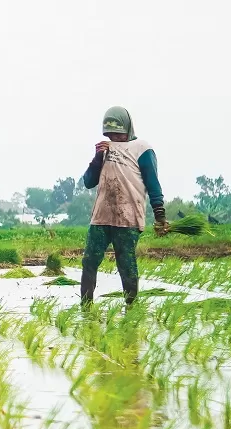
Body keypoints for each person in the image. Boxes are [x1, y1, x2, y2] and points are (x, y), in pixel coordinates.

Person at [80, 106, 168, 305]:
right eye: (110, 134)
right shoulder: (104, 149)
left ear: (128, 129)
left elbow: (153, 183)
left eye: (118, 134)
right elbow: (88, 182)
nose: (114, 138)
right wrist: (97, 158)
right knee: (89, 261)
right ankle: (85, 308)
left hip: (128, 219)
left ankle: (131, 309)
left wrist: (159, 213)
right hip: (101, 217)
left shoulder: (142, 149)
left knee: (126, 265)